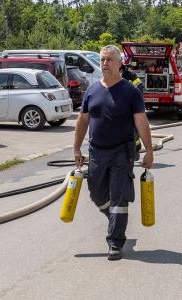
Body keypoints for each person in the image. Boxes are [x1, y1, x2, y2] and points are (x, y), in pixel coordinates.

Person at [74, 45, 153, 261]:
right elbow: (82, 120)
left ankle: (115, 242)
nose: (105, 63)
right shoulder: (92, 90)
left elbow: (141, 121)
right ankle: (115, 221)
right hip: (97, 152)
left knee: (118, 197)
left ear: (119, 64)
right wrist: (76, 148)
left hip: (122, 152)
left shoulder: (130, 91)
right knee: (96, 194)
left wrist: (149, 150)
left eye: (109, 59)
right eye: (102, 60)